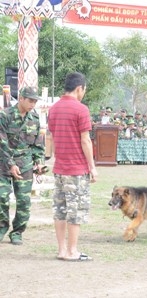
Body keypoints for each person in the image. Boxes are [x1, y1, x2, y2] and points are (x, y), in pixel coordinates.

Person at [47, 72, 98, 261]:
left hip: (59, 168)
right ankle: (72, 251)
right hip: (76, 170)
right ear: (79, 88)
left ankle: (61, 250)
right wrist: (92, 167)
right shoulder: (81, 109)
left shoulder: (53, 109)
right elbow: (85, 140)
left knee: (60, 210)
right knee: (76, 212)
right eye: (84, 90)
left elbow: (50, 137)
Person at [0, 87, 45, 245]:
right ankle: (1, 227)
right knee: (2, 198)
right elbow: (2, 142)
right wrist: (11, 164)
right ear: (21, 98)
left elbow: (37, 144)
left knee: (24, 202)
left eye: (35, 101)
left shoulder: (34, 118)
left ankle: (17, 232)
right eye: (30, 100)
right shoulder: (5, 115)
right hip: (3, 165)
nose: (33, 104)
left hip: (25, 164)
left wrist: (39, 162)